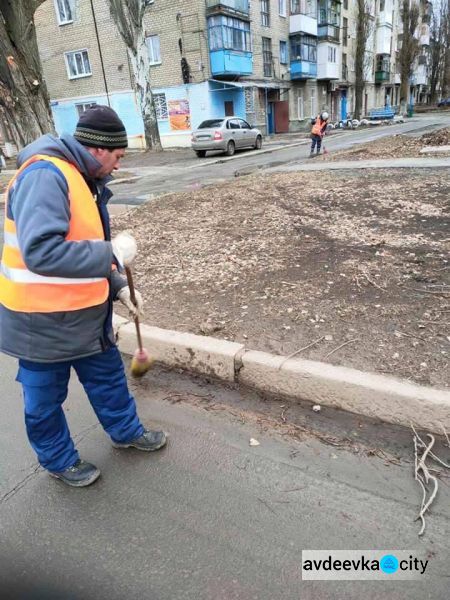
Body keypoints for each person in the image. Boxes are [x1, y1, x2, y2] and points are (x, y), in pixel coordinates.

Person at [0, 105, 167, 488]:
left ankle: (126, 432)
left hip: (86, 316)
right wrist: (111, 254)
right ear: (97, 150)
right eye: (118, 157)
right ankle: (59, 460)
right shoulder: (45, 176)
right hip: (39, 324)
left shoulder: (82, 179)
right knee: (43, 402)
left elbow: (79, 247)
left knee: (109, 380)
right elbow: (42, 253)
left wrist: (119, 286)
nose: (119, 166)